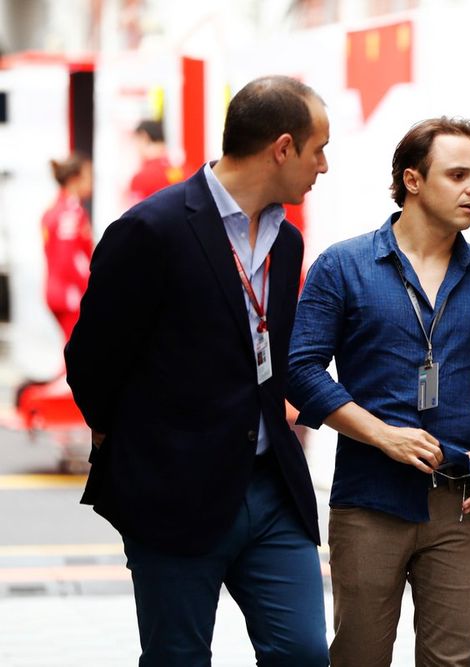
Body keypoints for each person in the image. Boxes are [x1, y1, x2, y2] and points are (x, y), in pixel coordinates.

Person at [65, 75, 331, 666]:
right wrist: (126, 439)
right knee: (177, 657)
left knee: (304, 652)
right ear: (282, 148)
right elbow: (91, 360)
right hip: (175, 490)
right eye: (319, 150)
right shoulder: (151, 230)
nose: (324, 166)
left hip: (271, 489)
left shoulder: (285, 244)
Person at [287, 117, 470, 667]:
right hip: (371, 500)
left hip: (461, 501)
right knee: (360, 656)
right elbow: (300, 369)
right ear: (412, 180)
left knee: (453, 660)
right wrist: (382, 436)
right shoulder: (344, 266)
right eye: (458, 174)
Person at [41, 153, 93, 342]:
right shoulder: (70, 213)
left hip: (56, 289)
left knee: (72, 350)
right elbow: (70, 258)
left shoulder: (53, 208)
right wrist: (92, 286)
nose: (91, 183)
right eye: (88, 177)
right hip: (69, 293)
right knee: (78, 353)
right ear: (74, 180)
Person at [127, 119, 183, 205]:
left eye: (136, 141)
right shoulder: (185, 171)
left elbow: (134, 215)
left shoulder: (141, 178)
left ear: (144, 137)